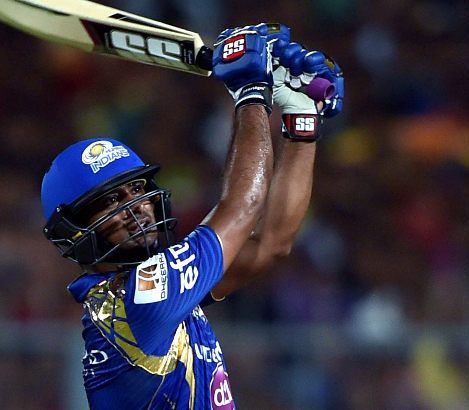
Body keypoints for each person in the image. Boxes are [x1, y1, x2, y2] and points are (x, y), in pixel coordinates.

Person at [40, 23, 343, 410]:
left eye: (137, 190)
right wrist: (250, 91)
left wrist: (301, 115)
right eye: (111, 201)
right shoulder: (144, 296)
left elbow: (272, 244)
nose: (136, 207)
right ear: (76, 229)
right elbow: (243, 208)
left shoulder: (154, 294)